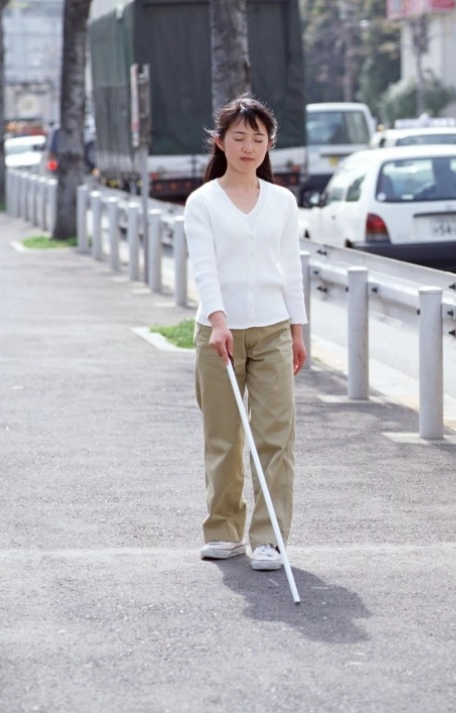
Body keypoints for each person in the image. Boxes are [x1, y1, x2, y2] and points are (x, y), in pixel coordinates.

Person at [183, 95, 308, 571]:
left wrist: (298, 332)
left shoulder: (282, 201)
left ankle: (269, 537)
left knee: (275, 437)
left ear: (269, 144)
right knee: (224, 437)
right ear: (220, 142)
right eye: (239, 137)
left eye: (258, 138)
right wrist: (218, 321)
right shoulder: (203, 202)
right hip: (218, 335)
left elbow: (291, 270)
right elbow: (204, 268)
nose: (248, 146)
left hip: (274, 332)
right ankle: (224, 530)